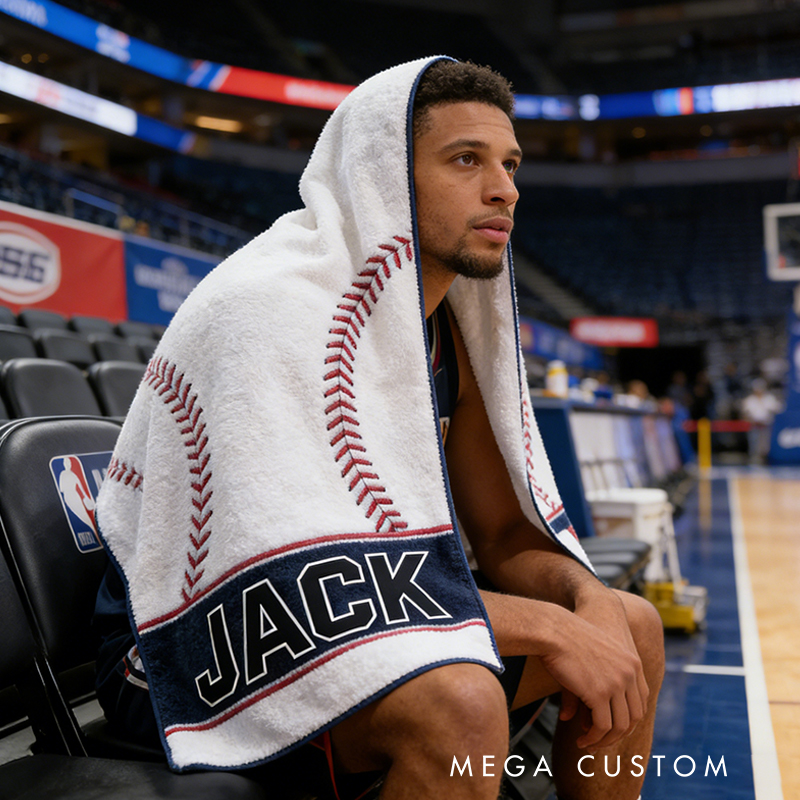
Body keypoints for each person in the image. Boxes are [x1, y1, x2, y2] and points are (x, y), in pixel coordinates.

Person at [94, 58, 664, 800]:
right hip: (191, 649)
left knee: (635, 627)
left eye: (510, 163)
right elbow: (292, 593)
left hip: (362, 619)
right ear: (381, 173)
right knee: (459, 705)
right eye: (467, 160)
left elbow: (499, 536)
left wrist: (584, 603)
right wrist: (549, 628)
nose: (505, 189)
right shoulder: (261, 310)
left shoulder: (446, 325)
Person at [741, 378, 782, 464]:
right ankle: (754, 461)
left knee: (765, 446)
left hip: (766, 426)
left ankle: (766, 460)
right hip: (754, 426)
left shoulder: (769, 398)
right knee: (753, 445)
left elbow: (779, 409)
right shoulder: (750, 400)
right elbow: (744, 413)